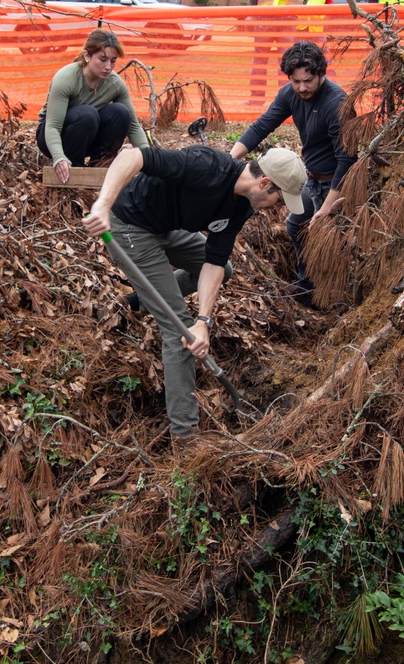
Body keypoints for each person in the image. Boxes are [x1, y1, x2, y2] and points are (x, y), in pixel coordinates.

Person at [83, 144, 306, 441]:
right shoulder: (207, 165)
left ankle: (143, 301)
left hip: (167, 228)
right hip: (130, 226)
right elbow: (132, 156)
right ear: (264, 183)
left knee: (224, 271)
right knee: (180, 334)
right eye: (278, 200)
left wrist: (204, 320)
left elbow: (213, 262)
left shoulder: (243, 206)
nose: (276, 208)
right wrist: (103, 204)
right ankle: (186, 439)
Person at [230, 39, 356, 305]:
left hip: (338, 184)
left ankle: (341, 300)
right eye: (295, 81)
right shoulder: (290, 94)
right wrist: (229, 160)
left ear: (321, 73)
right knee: (296, 224)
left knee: (334, 241)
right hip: (311, 179)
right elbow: (262, 125)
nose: (301, 87)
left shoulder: (337, 104)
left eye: (308, 81)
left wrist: (326, 208)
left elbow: (347, 161)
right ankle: (306, 288)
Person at [37, 29, 149, 185]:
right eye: (103, 59)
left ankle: (99, 165)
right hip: (53, 136)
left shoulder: (115, 84)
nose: (108, 66)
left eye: (113, 60)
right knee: (87, 114)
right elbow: (53, 126)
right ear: (87, 56)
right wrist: (58, 157)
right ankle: (74, 167)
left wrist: (150, 159)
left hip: (87, 135)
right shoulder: (66, 78)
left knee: (121, 113)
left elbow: (134, 127)